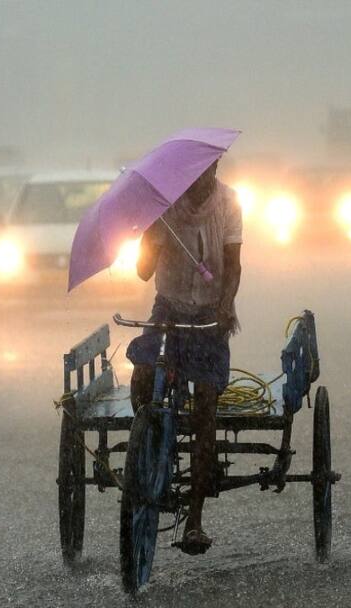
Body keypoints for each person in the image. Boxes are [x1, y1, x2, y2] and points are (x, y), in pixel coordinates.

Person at [126, 158, 242, 555]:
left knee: (205, 409)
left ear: (216, 169)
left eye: (207, 171)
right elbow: (142, 272)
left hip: (210, 316)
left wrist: (226, 303)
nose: (200, 179)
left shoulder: (229, 203)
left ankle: (194, 519)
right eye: (193, 173)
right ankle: (152, 444)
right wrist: (151, 235)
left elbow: (234, 265)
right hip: (169, 309)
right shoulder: (166, 207)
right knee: (142, 376)